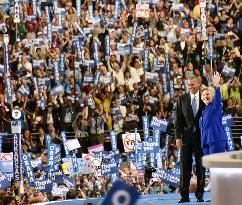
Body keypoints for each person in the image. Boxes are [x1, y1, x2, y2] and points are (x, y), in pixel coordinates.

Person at [174, 76, 205, 203]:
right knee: (184, 167)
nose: (190, 87)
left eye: (192, 84)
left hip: (201, 138)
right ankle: (184, 195)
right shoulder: (182, 99)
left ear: (198, 84)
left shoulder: (205, 98)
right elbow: (178, 121)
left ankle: (200, 195)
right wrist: (177, 137)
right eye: (188, 84)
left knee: (201, 167)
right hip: (186, 139)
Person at [199, 72, 227, 155]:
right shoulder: (203, 110)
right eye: (203, 95)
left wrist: (217, 85)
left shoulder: (215, 106)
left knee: (216, 166)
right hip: (205, 142)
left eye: (207, 94)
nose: (205, 96)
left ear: (212, 96)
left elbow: (218, 97)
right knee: (209, 167)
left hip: (216, 139)